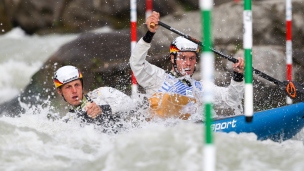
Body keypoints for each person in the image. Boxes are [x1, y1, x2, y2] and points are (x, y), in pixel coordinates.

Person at [130, 11, 245, 120]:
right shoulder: (157, 78)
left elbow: (231, 100)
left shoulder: (201, 88)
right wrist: (149, 34)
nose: (188, 63)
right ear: (172, 59)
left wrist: (238, 76)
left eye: (192, 58)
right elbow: (136, 63)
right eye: (183, 58)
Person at [52, 65, 135, 132]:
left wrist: (103, 109)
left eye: (77, 85)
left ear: (82, 85)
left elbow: (131, 105)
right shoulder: (68, 121)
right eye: (68, 87)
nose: (74, 91)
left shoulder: (102, 93)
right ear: (60, 92)